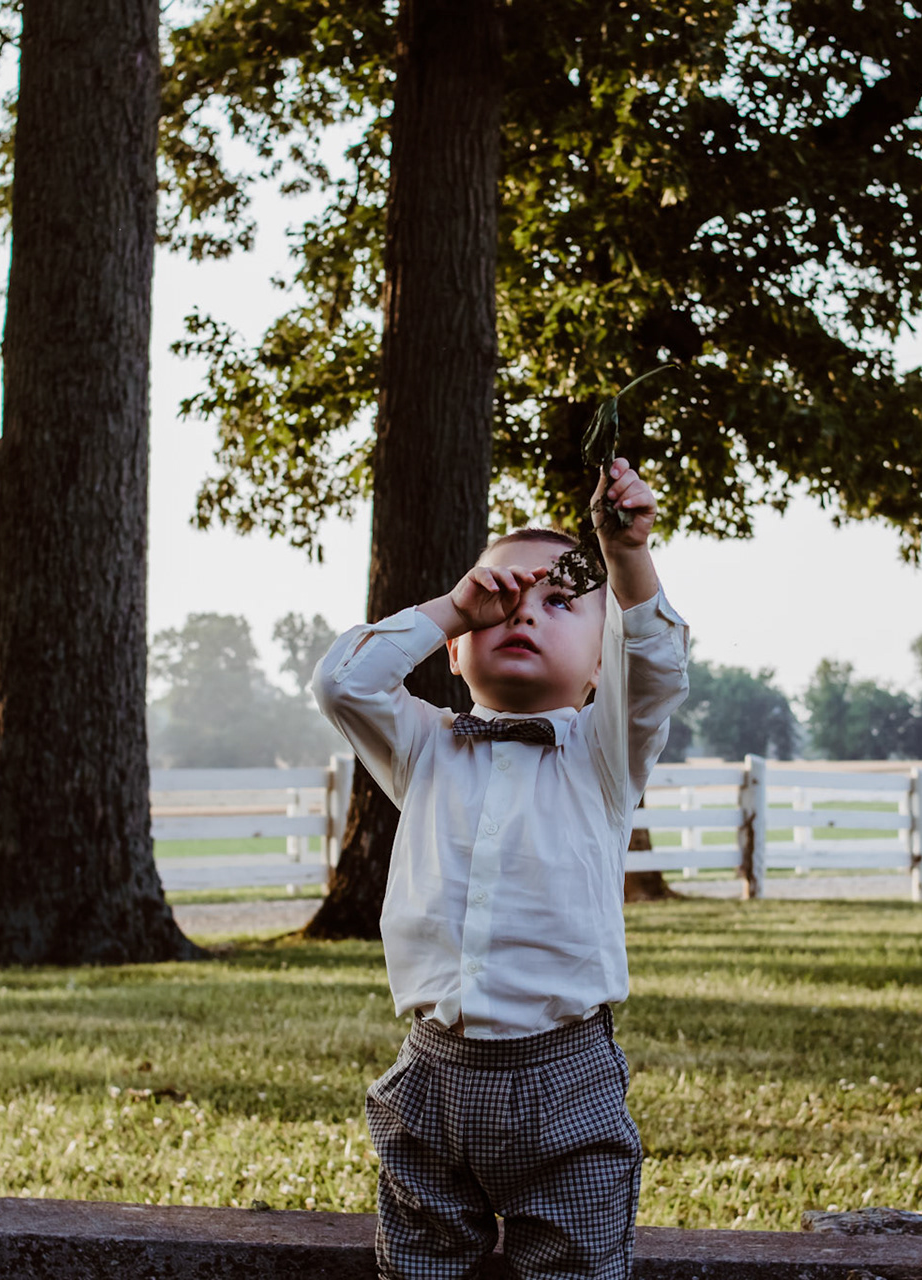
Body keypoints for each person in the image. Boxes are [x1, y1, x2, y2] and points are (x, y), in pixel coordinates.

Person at [311, 457, 690, 1279]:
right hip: (431, 1072)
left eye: (560, 603)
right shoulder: (423, 746)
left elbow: (655, 665)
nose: (523, 612)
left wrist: (625, 555)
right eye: (503, 597)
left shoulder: (605, 753)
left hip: (564, 1076)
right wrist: (453, 605)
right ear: (453, 651)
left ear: (601, 664)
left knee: (573, 1264)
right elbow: (341, 682)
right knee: (420, 1264)